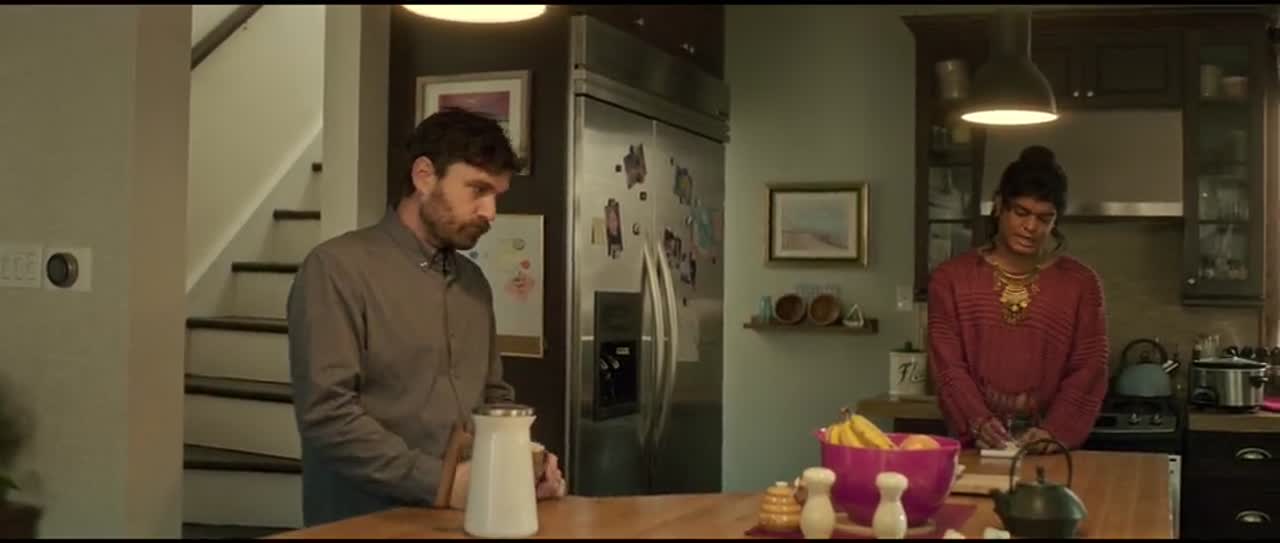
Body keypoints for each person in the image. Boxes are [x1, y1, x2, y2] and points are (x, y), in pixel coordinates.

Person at [286, 108, 565, 526]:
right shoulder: (335, 270)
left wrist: (523, 463)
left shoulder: (474, 283)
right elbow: (328, 416)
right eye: (477, 189)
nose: (490, 212)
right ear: (424, 176)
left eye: (497, 196)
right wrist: (443, 484)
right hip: (365, 523)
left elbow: (493, 397)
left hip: (464, 520)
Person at [927, 145, 1109, 455]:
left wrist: (1053, 432)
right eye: (1021, 212)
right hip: (974, 449)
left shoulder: (1080, 283)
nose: (1031, 227)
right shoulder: (951, 279)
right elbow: (947, 364)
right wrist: (977, 421)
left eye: (1044, 218)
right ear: (999, 205)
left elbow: (1090, 367)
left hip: (1050, 451)